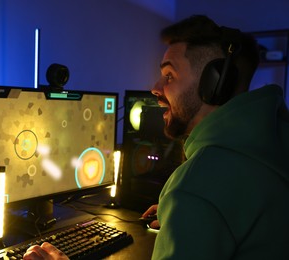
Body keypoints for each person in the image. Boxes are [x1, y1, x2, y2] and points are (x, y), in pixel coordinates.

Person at [24, 15, 289, 260]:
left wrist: (190, 203)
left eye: (169, 76)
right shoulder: (275, 139)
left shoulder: (197, 186)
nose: (155, 88)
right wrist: (188, 219)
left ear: (214, 84)